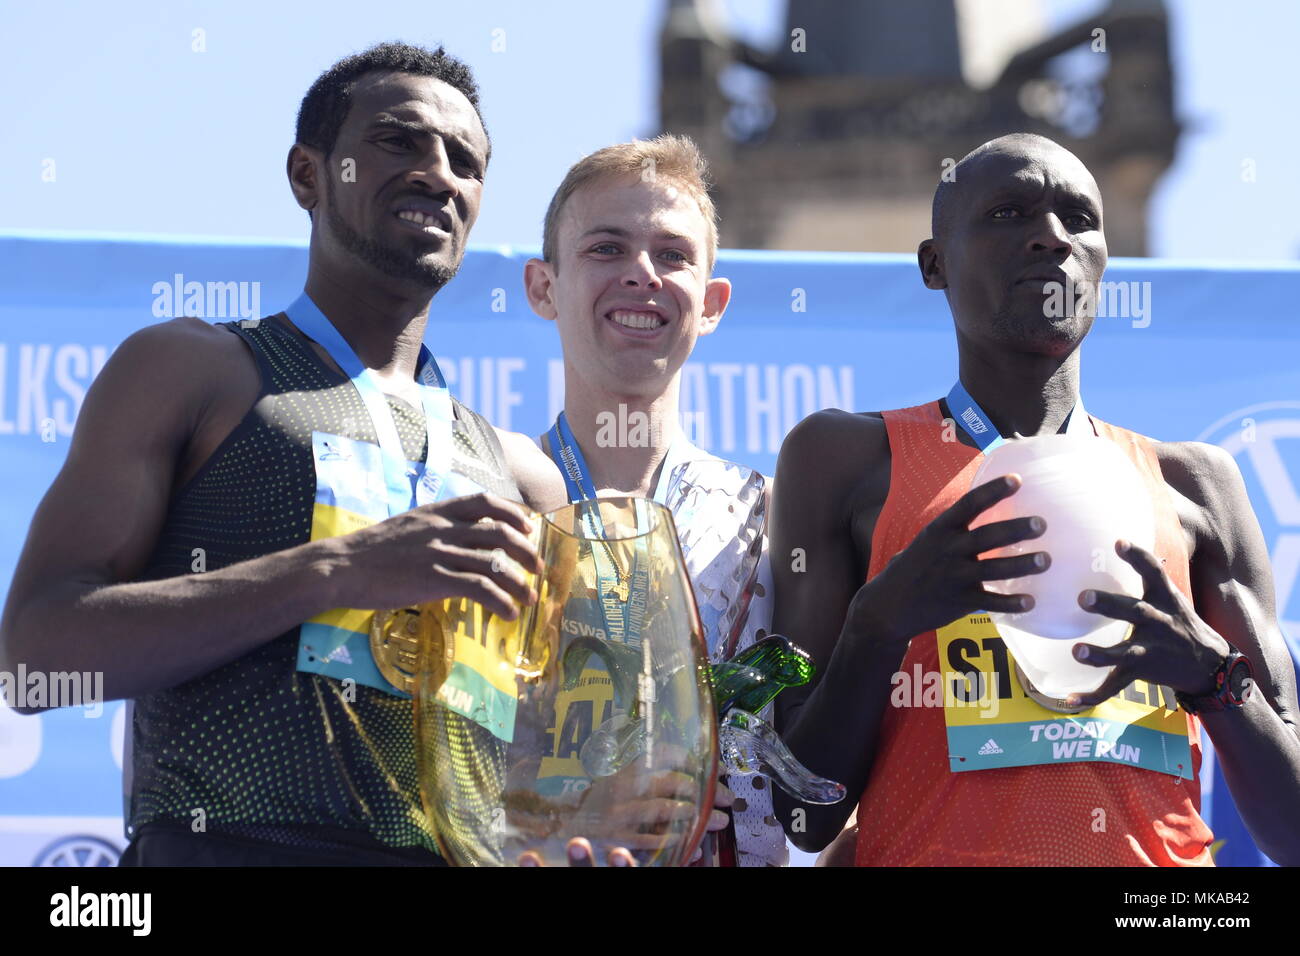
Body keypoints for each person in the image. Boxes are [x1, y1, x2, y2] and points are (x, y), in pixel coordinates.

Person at [0, 41, 570, 866]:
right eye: (399, 141)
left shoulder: (521, 475)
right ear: (309, 175)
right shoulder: (193, 370)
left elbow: (548, 758)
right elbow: (35, 659)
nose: (439, 173)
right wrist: (337, 572)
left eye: (465, 161)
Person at [769, 133, 1300, 866]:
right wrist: (877, 626)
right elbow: (802, 815)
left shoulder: (1194, 485)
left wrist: (1211, 676)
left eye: (1078, 218)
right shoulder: (847, 459)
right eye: (1009, 212)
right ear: (935, 265)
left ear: (1105, 264)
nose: (1050, 236)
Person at [522, 135, 788, 866]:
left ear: (711, 303)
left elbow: (830, 783)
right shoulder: (489, 495)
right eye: (606, 249)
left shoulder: (775, 519)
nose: (642, 274)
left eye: (672, 255)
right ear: (543, 287)